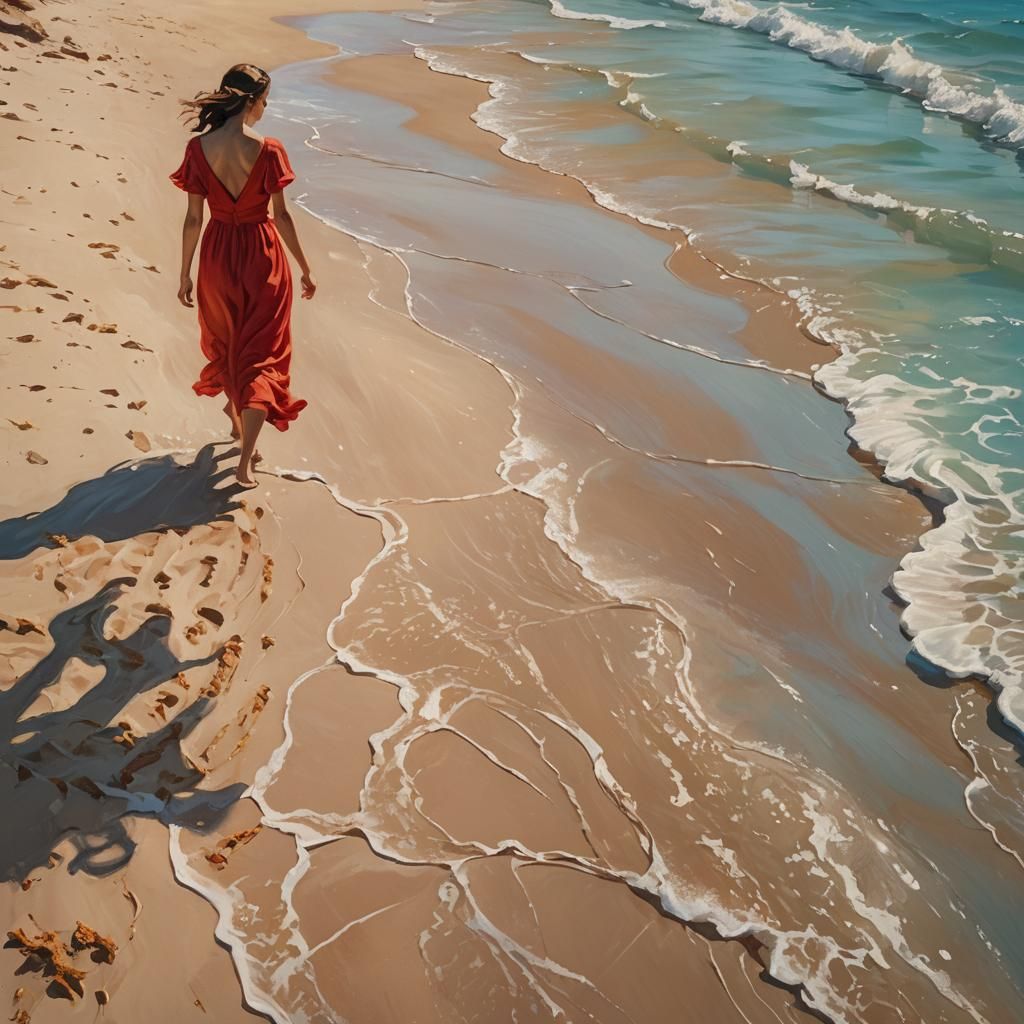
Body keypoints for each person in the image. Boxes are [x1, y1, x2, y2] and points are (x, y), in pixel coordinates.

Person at [170, 63, 316, 488]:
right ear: (252, 100)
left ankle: (236, 420)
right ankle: (245, 461)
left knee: (229, 339)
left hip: (216, 255)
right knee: (264, 353)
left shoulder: (198, 149)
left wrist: (185, 273)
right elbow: (282, 216)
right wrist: (305, 267)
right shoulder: (269, 149)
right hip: (262, 255)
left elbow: (193, 219)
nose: (266, 107)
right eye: (265, 100)